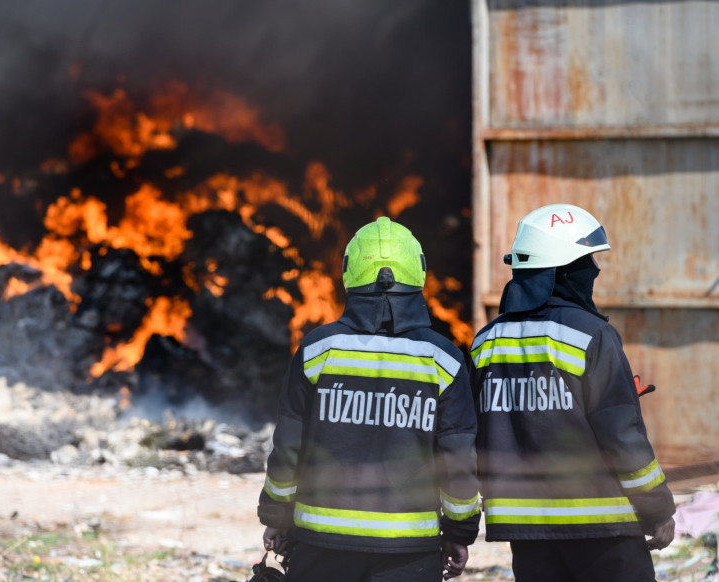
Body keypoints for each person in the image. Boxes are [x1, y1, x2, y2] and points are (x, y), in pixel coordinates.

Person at [258, 216, 480, 582]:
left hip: (320, 545)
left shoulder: (317, 350)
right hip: (409, 551)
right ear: (418, 271)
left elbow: (288, 446)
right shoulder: (444, 359)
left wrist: (277, 516)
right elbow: (457, 458)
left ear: (350, 271)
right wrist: (459, 532)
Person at [469, 203, 676, 582]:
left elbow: (480, 433)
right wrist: (657, 508)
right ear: (563, 270)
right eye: (587, 260)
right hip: (604, 528)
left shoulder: (486, 342)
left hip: (527, 532)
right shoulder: (592, 334)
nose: (595, 269)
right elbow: (622, 436)